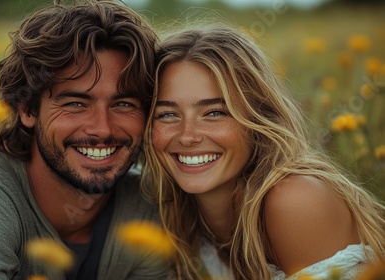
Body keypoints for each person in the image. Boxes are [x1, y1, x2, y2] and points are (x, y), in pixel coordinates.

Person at [0, 1, 168, 279]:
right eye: (76, 104)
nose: (102, 129)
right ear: (27, 109)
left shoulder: (151, 206)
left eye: (124, 104)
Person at [142, 24, 385, 279]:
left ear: (258, 118)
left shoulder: (294, 200)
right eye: (167, 114)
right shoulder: (169, 211)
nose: (187, 136)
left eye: (215, 113)